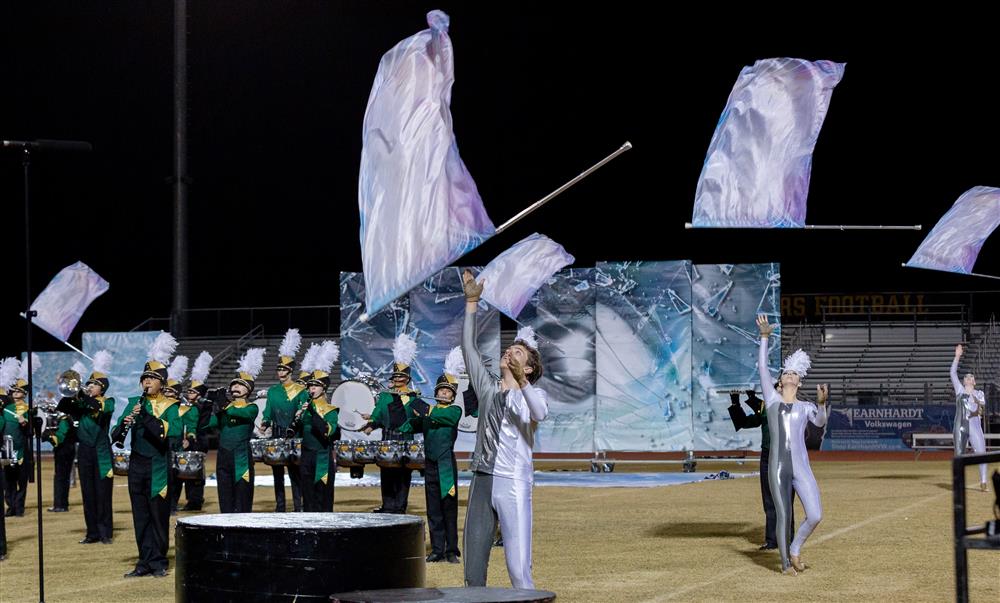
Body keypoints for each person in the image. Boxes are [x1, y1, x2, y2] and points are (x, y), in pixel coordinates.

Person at [461, 269, 548, 589]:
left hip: (513, 483)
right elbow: (469, 350)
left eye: (518, 353)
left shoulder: (533, 395)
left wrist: (522, 382)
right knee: (473, 567)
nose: (509, 351)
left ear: (528, 368)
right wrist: (472, 302)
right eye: (510, 348)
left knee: (518, 569)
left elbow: (539, 413)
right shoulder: (487, 390)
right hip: (483, 479)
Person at [756, 314, 828, 575]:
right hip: (777, 467)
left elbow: (819, 423)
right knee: (783, 514)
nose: (788, 375)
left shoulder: (806, 406)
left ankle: (795, 549)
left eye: (793, 373)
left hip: (801, 467)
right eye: (786, 372)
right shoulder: (772, 400)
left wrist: (821, 404)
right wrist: (765, 337)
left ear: (799, 381)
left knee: (816, 514)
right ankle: (786, 563)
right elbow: (763, 368)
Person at [402, 347, 463, 563]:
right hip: (430, 466)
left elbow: (443, 417)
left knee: (449, 509)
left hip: (446, 466)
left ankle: (451, 550)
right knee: (433, 509)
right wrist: (408, 403)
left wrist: (423, 408)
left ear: (453, 395)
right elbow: (408, 427)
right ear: (436, 392)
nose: (444, 394)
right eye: (441, 391)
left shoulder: (454, 411)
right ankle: (437, 549)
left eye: (448, 392)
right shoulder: (430, 413)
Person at [951, 344, 988, 491]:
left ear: (974, 381)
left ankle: (984, 481)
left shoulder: (979, 393)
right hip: (960, 426)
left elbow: (981, 409)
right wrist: (957, 356)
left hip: (974, 426)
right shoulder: (959, 390)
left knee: (981, 453)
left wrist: (974, 399)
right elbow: (953, 373)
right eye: (966, 377)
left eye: (971, 377)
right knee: (959, 455)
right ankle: (958, 483)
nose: (967, 378)